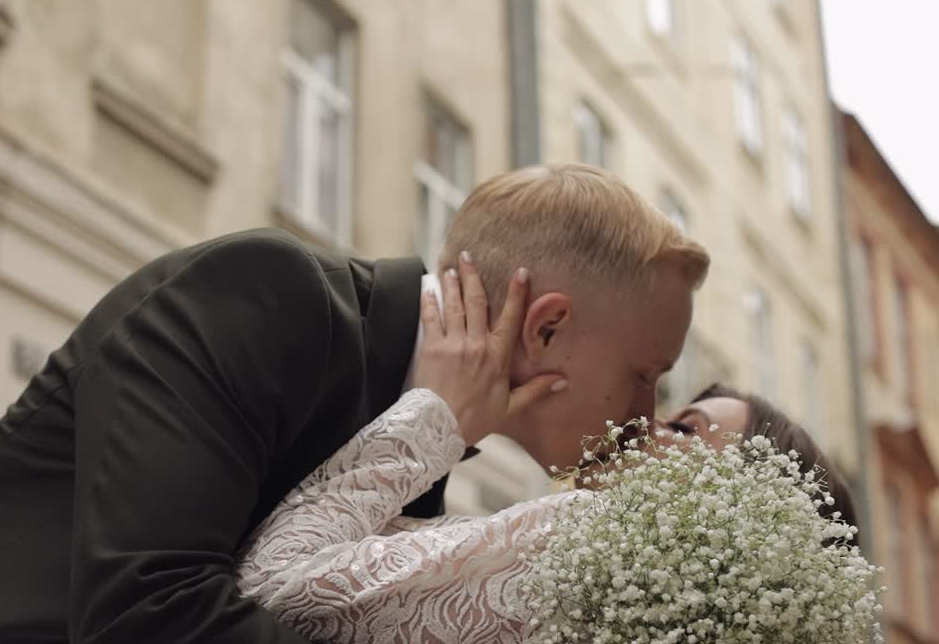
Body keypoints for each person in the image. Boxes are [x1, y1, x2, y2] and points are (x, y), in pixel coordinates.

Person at [0, 164, 708, 644]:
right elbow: (152, 612)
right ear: (544, 330)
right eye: (645, 377)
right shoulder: (265, 292)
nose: (652, 416)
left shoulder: (421, 452)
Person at [234, 260, 860, 643]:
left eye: (687, 430)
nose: (644, 422)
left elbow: (273, 586)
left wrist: (438, 416)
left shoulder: (594, 545)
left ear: (746, 520)